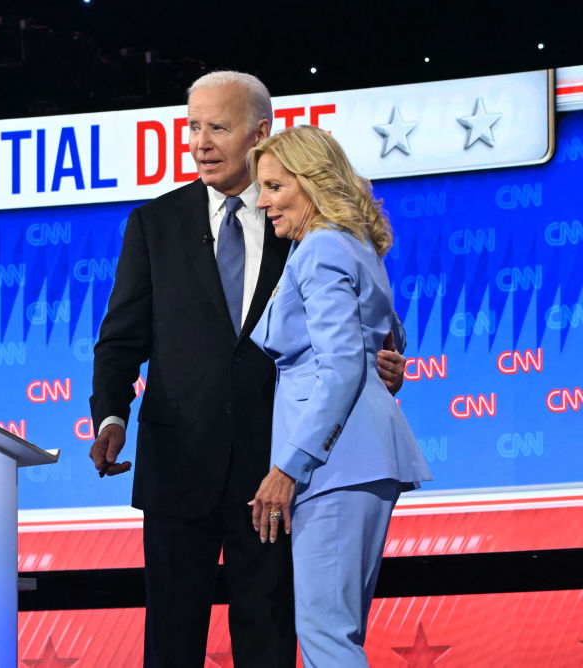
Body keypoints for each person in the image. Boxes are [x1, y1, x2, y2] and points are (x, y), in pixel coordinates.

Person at [88, 71, 407, 668]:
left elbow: (365, 317)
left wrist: (385, 360)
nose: (200, 142)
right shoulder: (153, 224)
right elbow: (119, 340)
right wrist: (110, 415)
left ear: (259, 132)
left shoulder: (302, 221)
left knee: (271, 640)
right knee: (171, 642)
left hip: (275, 471)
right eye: (192, 128)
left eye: (217, 127)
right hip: (178, 471)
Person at [247, 125, 432, 667]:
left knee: (327, 636)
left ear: (312, 183)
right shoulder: (351, 244)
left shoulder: (322, 248)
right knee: (337, 631)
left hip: (336, 462)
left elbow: (342, 365)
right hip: (359, 457)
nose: (263, 202)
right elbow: (381, 340)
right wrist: (386, 361)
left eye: (275, 187)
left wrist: (289, 466)